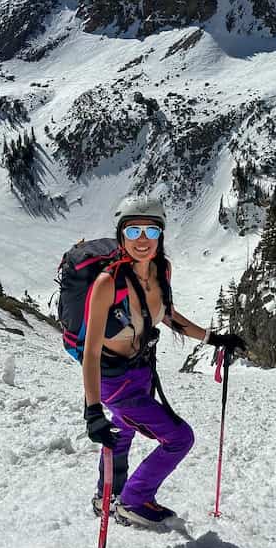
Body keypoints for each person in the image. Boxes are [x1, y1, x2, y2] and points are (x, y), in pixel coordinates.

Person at [81, 194, 246, 527]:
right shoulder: (107, 284)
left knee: (124, 431)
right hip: (115, 379)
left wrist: (213, 338)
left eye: (151, 232)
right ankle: (134, 500)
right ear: (121, 235)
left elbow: (165, 314)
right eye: (133, 231)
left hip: (142, 370)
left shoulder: (161, 270)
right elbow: (91, 351)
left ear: (161, 235)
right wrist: (93, 411)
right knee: (179, 437)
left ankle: (107, 496)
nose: (142, 240)